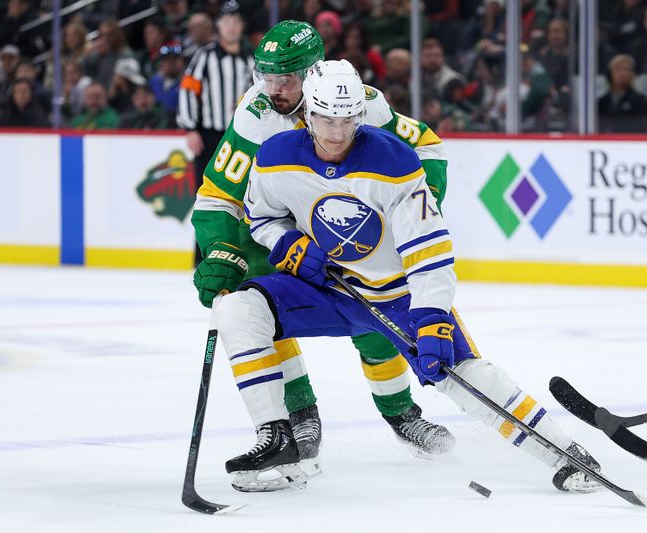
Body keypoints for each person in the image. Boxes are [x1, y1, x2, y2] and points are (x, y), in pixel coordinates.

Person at [212, 59, 603, 494]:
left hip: (396, 296)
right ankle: (278, 441)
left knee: (462, 375)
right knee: (238, 309)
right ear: (307, 114)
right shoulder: (276, 157)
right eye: (326, 119)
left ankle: (566, 453)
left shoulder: (393, 161)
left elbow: (429, 250)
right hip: (327, 290)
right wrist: (287, 244)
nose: (338, 133)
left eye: (348, 120)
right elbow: (261, 216)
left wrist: (432, 314)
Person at [190, 20, 454, 492]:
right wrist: (223, 250)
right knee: (256, 310)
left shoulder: (360, 104)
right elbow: (217, 196)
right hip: (278, 226)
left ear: (313, 72)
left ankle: (401, 414)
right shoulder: (256, 113)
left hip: (345, 226)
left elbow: (427, 148)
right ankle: (297, 419)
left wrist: (410, 214)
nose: (274, 89)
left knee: (376, 312)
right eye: (266, 75)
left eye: (286, 78)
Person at [177, 0, 253, 263]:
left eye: (235, 22)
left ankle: (240, 253)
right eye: (226, 22)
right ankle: (203, 257)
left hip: (240, 137)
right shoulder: (205, 56)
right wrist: (190, 127)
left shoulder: (249, 59)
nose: (231, 28)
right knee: (207, 196)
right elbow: (188, 89)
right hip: (209, 135)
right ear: (218, 26)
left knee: (243, 197)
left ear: (241, 26)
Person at [598, 54, 647, 134]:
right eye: (618, 69)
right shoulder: (602, 102)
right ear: (610, 73)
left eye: (626, 70)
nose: (622, 73)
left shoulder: (640, 101)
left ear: (632, 74)